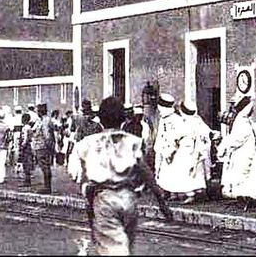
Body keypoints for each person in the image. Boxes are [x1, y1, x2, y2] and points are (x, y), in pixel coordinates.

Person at [72, 96, 173, 255]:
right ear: (122, 119)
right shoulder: (133, 142)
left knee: (112, 249)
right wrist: (161, 201)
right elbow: (145, 172)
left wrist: (90, 206)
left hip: (104, 199)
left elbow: (81, 178)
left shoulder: (87, 144)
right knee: (125, 245)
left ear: (101, 119)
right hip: (128, 200)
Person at [170, 101, 211, 204]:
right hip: (198, 150)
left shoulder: (186, 122)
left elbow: (178, 136)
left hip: (189, 150)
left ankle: (191, 194)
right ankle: (200, 192)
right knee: (198, 171)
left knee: (187, 171)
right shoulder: (197, 120)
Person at [218, 96, 256, 201]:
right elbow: (236, 138)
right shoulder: (242, 121)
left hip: (244, 152)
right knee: (239, 174)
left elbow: (237, 139)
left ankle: (243, 196)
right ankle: (240, 196)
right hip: (241, 153)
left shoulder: (243, 121)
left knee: (242, 174)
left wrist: (226, 147)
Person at [153, 94, 183, 198]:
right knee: (162, 171)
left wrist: (171, 150)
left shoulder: (176, 120)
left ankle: (174, 193)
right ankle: (165, 191)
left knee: (173, 171)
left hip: (172, 149)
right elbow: (160, 134)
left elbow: (177, 136)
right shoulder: (163, 119)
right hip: (162, 147)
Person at [31, 103, 56, 194]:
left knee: (45, 166)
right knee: (44, 166)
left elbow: (47, 135)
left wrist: (49, 147)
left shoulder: (45, 121)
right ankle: (46, 185)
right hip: (41, 146)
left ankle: (47, 186)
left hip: (43, 146)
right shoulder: (44, 120)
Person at [18, 113, 35, 188]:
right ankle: (27, 179)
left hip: (26, 147)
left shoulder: (25, 128)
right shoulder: (29, 127)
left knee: (26, 163)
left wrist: (22, 146)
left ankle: (27, 180)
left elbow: (25, 138)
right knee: (27, 162)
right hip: (29, 146)